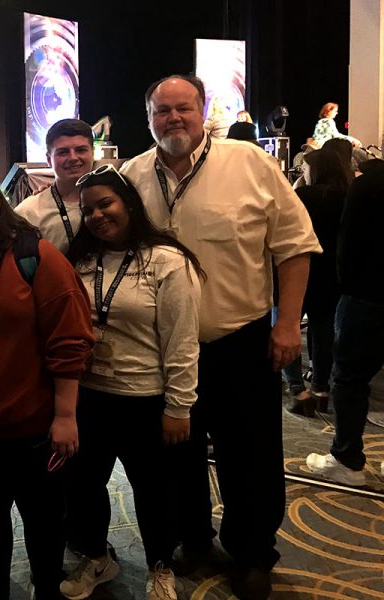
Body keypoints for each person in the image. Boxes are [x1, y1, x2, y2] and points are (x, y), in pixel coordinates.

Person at [120, 75, 320, 600]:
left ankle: (253, 552)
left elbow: (295, 247)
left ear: (203, 109)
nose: (173, 119)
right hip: (160, 349)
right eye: (162, 111)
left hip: (240, 341)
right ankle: (195, 538)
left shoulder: (249, 164)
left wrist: (286, 323)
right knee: (174, 453)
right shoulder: (133, 175)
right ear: (148, 117)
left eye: (183, 108)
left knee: (249, 453)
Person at [0, 161, 92, 599]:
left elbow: (70, 341)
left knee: (43, 520)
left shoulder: (38, 257)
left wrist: (66, 415)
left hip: (35, 426)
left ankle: (45, 591)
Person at [60, 165, 202, 600]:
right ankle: (97, 557)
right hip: (89, 397)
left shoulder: (167, 260)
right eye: (88, 210)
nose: (98, 216)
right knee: (83, 486)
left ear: (129, 204)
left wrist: (179, 407)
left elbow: (182, 341)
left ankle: (160, 564)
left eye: (106, 204)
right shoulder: (80, 260)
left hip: (145, 399)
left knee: (155, 491)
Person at [306, 160, 384, 485]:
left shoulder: (368, 185)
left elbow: (346, 244)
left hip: (366, 297)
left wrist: (347, 289)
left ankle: (347, 459)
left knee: (350, 380)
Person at [283, 149, 350, 416]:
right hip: (332, 275)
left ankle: (297, 389)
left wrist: (297, 186)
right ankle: (321, 388)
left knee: (287, 326)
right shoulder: (348, 195)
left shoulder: (305, 196)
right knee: (323, 332)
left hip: (299, 271)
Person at [15, 119, 94, 254]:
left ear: (93, 153)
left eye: (81, 150)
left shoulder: (113, 201)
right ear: (48, 159)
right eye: (63, 152)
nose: (73, 157)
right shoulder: (28, 213)